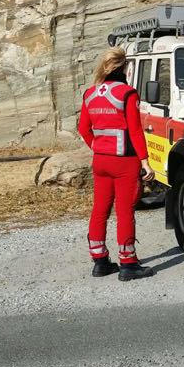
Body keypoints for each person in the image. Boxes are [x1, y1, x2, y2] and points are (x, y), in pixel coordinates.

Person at [78, 46, 156, 281]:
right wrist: (146, 162)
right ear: (125, 67)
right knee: (124, 212)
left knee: (100, 210)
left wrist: (99, 147)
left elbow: (83, 129)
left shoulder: (90, 93)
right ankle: (128, 263)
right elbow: (135, 130)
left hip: (100, 160)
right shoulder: (127, 93)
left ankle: (99, 261)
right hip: (125, 162)